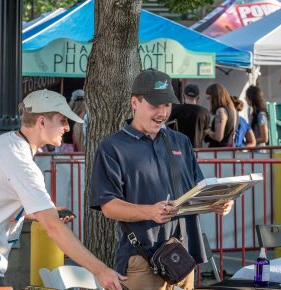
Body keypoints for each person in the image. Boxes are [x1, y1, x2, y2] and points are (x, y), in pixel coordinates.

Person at [0, 89, 125, 289]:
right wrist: (101, 271)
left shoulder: (4, 144)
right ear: (41, 122)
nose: (67, 127)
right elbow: (54, 228)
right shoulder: (20, 162)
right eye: (62, 120)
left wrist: (41, 213)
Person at [90, 69, 234, 290]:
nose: (162, 112)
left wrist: (215, 202)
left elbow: (195, 190)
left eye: (167, 105)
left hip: (184, 256)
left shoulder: (181, 142)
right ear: (135, 102)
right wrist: (150, 211)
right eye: (155, 105)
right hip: (141, 259)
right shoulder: (112, 147)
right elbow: (108, 206)